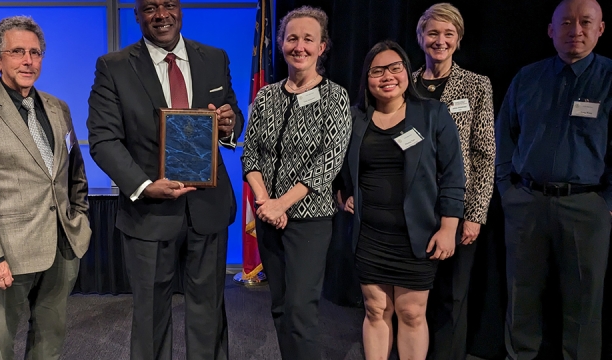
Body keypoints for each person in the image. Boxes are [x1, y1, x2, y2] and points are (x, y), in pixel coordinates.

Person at [86, 0, 243, 358]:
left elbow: (231, 118)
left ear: (180, 10)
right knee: (150, 315)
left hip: (208, 209)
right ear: (137, 15)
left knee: (209, 310)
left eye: (168, 5)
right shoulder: (113, 67)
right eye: (150, 7)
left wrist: (230, 125)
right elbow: (103, 140)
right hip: (149, 214)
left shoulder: (215, 58)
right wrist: (144, 186)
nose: (161, 15)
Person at [0, 16, 91, 360]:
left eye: (35, 52)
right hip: (7, 255)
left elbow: (74, 170)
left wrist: (80, 217)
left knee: (50, 340)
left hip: (62, 246)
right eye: (17, 52)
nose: (28, 61)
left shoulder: (59, 108)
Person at [495, 0, 610, 358]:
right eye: (567, 23)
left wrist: (607, 203)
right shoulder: (527, 77)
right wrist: (507, 189)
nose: (576, 30)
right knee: (522, 295)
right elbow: (504, 136)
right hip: (526, 202)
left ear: (600, 29)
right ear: (551, 30)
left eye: (585, 22)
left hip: (586, 207)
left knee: (583, 303)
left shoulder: (609, 77)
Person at [338, 40, 465, 360]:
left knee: (411, 312)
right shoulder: (355, 119)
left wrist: (449, 227)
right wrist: (342, 194)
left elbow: (453, 175)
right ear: (366, 78)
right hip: (370, 235)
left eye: (395, 68)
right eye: (377, 70)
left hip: (417, 235)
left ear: (407, 73)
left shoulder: (433, 114)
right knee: (375, 309)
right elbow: (338, 167)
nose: (387, 76)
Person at [240, 6, 351, 360]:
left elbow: (328, 162)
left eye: (308, 39)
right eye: (292, 38)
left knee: (301, 311)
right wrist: (264, 203)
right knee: (280, 308)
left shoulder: (336, 96)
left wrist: (282, 203)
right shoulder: (266, 97)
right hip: (269, 217)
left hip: (309, 222)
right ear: (281, 44)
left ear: (322, 47)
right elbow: (250, 155)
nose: (299, 46)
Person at [409, 3, 496, 359]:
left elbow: (484, 153)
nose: (439, 40)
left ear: (458, 40)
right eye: (433, 33)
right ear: (420, 37)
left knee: (450, 298)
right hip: (411, 210)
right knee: (411, 300)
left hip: (456, 212)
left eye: (448, 34)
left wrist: (474, 214)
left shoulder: (476, 85)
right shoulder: (405, 83)